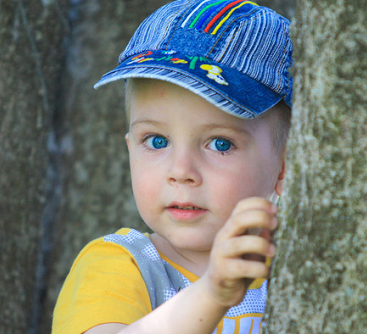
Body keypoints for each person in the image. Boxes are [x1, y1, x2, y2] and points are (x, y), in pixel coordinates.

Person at [52, 0, 293, 333]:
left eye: (220, 144)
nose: (181, 171)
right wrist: (211, 294)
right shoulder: (120, 264)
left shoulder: (296, 268)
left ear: (286, 166)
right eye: (156, 141)